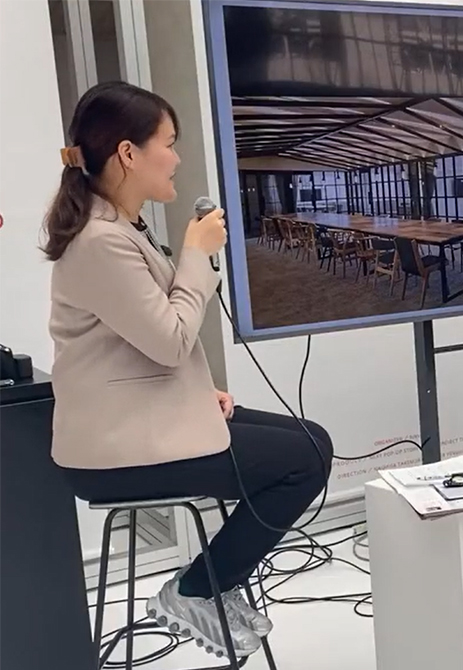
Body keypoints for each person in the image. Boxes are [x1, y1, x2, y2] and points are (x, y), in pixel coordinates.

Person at [44, 82, 333, 659]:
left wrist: (198, 393)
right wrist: (196, 254)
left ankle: (211, 583)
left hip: (140, 421)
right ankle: (198, 588)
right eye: (169, 143)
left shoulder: (120, 229)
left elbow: (138, 342)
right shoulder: (100, 241)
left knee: (311, 441)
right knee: (303, 459)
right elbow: (172, 341)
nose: (176, 158)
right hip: (114, 452)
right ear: (129, 153)